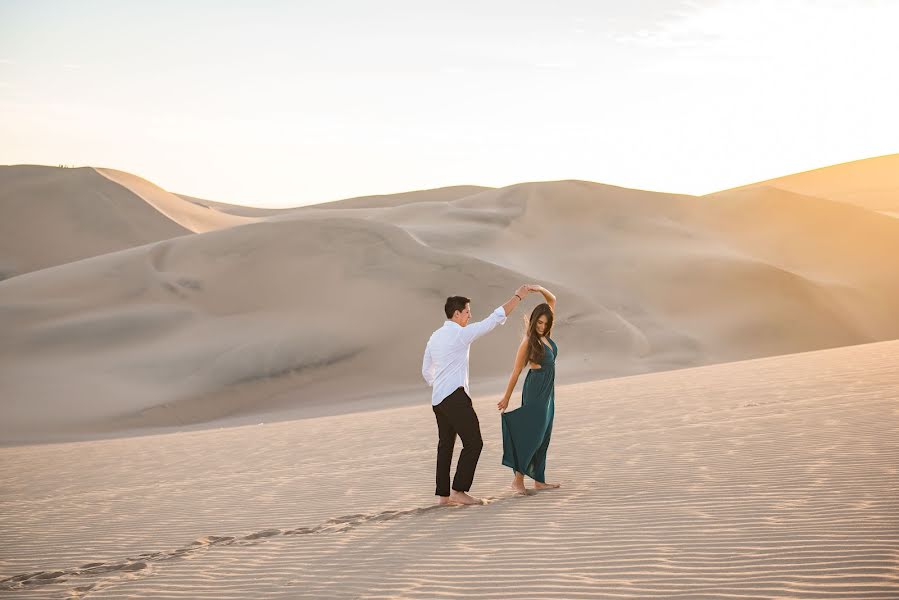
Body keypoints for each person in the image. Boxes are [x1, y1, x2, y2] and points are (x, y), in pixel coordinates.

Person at [422, 286, 532, 505]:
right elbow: (493, 319)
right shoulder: (461, 335)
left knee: (445, 446)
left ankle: (443, 496)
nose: (470, 316)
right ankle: (459, 491)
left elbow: (426, 370)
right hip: (455, 397)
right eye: (467, 312)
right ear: (456, 314)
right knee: (474, 443)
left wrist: (440, 384)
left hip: (438, 400)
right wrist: (518, 296)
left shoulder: (434, 337)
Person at [497, 284, 562, 494]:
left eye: (545, 323)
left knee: (545, 435)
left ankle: (539, 480)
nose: (542, 326)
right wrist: (506, 398)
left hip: (548, 393)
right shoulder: (528, 342)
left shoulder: (546, 336)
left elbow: (552, 300)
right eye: (539, 322)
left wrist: (538, 288)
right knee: (533, 435)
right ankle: (518, 481)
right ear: (534, 321)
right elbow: (516, 372)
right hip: (535, 391)